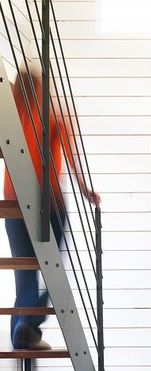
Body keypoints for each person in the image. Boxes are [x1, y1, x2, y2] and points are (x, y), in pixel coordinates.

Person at [4, 66, 100, 350]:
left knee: (25, 275)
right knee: (53, 273)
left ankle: (22, 333)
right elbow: (71, 156)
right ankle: (27, 326)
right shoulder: (52, 117)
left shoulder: (9, 121)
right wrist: (84, 189)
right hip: (50, 204)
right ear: (40, 90)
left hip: (13, 205)